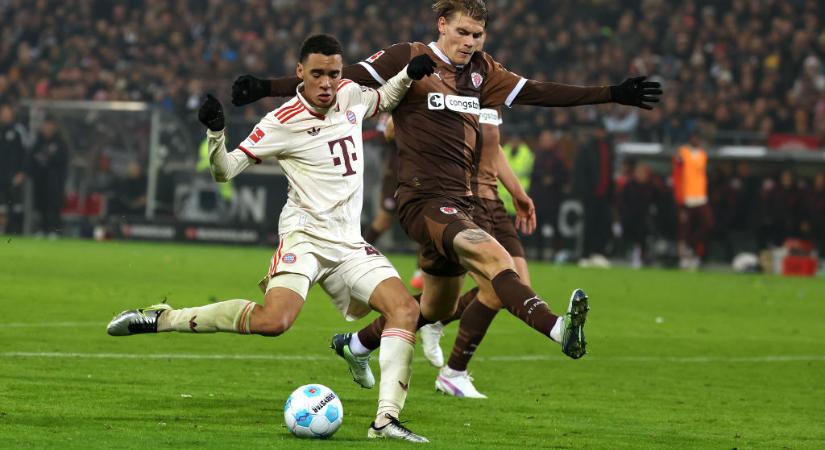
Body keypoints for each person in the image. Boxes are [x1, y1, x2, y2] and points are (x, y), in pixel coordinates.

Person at [232, 0, 661, 388]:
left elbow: (539, 92)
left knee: (435, 308)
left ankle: (357, 346)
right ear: (442, 25)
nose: (470, 42)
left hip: (461, 202)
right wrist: (268, 86)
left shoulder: (483, 72)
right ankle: (559, 329)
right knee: (498, 261)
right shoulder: (409, 58)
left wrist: (611, 94)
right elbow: (342, 78)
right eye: (462, 33)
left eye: (477, 35)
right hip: (423, 199)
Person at [106, 34, 437, 443]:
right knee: (273, 322)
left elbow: (382, 100)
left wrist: (407, 75)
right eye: (317, 74)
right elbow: (225, 171)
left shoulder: (351, 94)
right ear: (300, 72)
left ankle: (385, 420)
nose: (327, 83)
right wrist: (216, 133)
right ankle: (165, 317)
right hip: (305, 238)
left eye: (334, 73)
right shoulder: (281, 121)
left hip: (348, 242)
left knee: (404, 309)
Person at [672, 131, 713, 269]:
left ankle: (691, 248)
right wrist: (680, 199)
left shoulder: (702, 153)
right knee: (685, 229)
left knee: (707, 224)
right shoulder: (682, 153)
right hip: (687, 198)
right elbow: (677, 176)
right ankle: (685, 257)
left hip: (700, 197)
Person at [29, 117, 69, 237]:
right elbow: (32, 158)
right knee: (41, 205)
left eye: (50, 125)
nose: (47, 128)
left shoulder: (60, 143)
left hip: (55, 181)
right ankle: (42, 229)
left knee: (54, 206)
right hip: (40, 180)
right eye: (45, 125)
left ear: (55, 127)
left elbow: (62, 161)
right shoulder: (38, 142)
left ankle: (54, 230)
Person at [0, 105, 27, 235]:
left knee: (15, 205)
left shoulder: (18, 131)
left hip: (14, 176)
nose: (5, 114)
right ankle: (3, 230)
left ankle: (16, 231)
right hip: (1, 175)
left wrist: (22, 171)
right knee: (2, 205)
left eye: (7, 111)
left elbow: (24, 153)